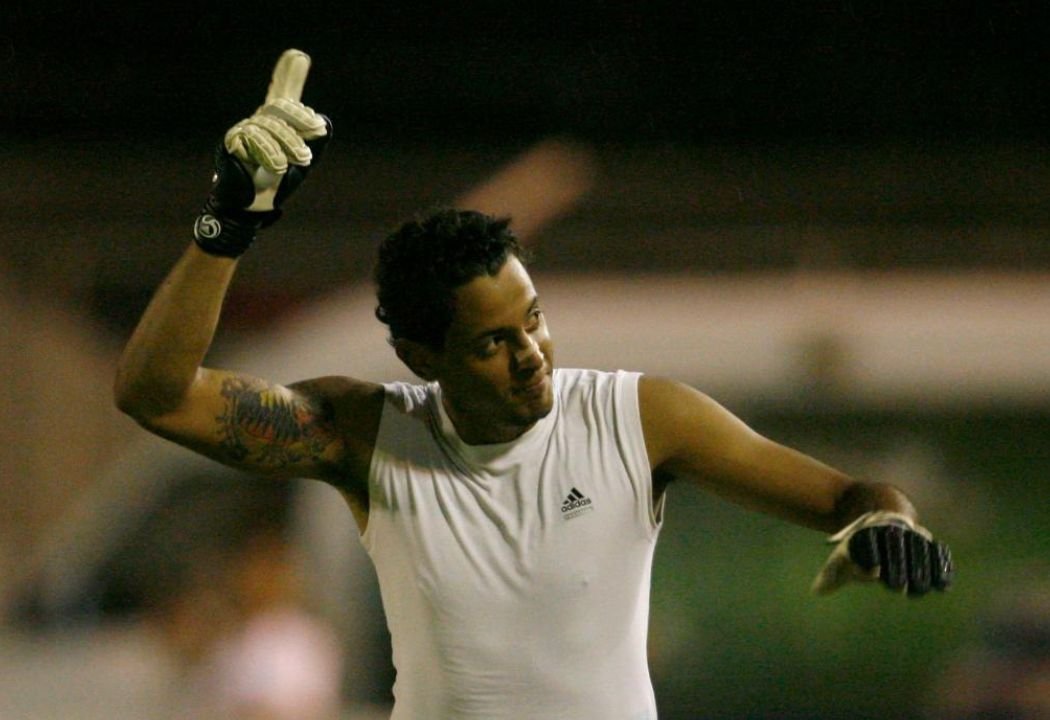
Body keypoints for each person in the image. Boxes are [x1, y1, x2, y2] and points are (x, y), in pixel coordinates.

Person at [113, 51, 954, 720]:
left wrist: (887, 524)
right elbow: (155, 395)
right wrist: (228, 227)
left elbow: (853, 494)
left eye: (534, 319)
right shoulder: (366, 433)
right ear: (419, 356)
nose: (532, 354)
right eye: (490, 342)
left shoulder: (639, 416)